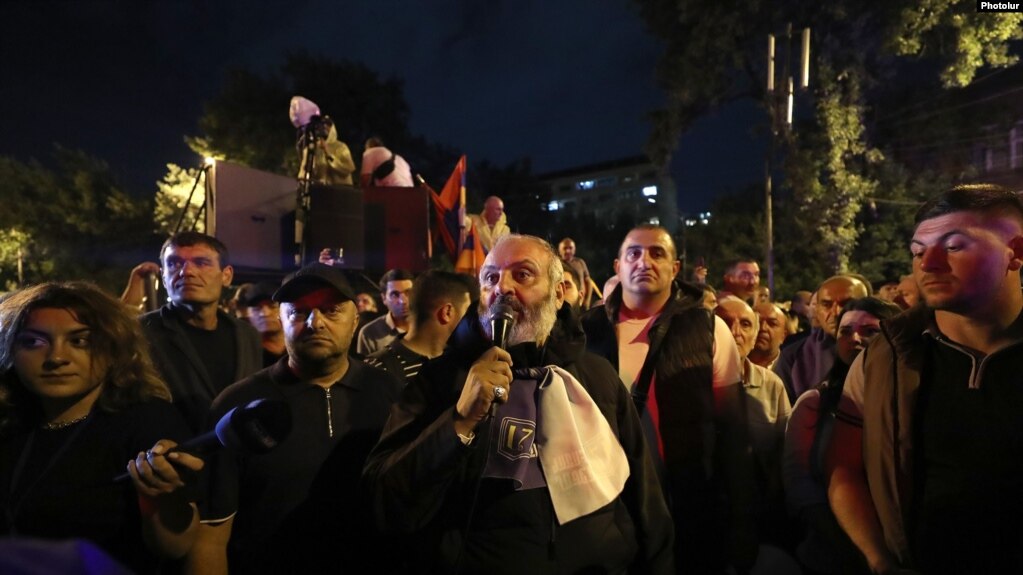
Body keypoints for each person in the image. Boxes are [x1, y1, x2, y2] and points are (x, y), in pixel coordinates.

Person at [364, 234, 674, 574]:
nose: (503, 288)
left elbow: (644, 494)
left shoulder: (597, 375)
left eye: (522, 274)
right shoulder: (441, 380)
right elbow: (385, 499)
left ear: (558, 294)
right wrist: (458, 422)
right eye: (490, 278)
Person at [828, 184, 1023, 575]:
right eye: (917, 251)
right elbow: (844, 470)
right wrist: (880, 559)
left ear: (1015, 253)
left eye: (953, 246)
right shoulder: (885, 358)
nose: (927, 264)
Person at [188, 263, 403, 574]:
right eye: (300, 312)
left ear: (355, 319)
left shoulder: (390, 394)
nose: (315, 323)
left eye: (330, 310)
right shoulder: (238, 405)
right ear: (281, 319)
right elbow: (211, 535)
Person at [580, 225, 762, 573]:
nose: (643, 261)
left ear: (675, 268)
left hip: (688, 501)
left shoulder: (709, 329)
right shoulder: (584, 331)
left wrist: (741, 519)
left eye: (656, 253)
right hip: (605, 503)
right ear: (617, 266)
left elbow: (733, 430)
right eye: (633, 253)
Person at [0, 282, 204, 574]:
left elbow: (174, 547)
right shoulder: (10, 421)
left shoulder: (147, 421)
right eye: (34, 341)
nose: (57, 357)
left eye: (80, 341)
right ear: (10, 350)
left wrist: (164, 498)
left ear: (115, 349)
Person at [783, 297, 899, 575]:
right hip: (830, 552)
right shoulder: (814, 402)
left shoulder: (905, 402)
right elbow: (799, 481)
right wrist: (846, 536)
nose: (854, 338)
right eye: (845, 331)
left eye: (869, 331)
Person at [138, 233, 262, 433]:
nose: (186, 272)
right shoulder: (139, 333)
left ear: (226, 275)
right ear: (163, 276)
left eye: (201, 262)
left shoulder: (247, 336)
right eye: (174, 264)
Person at [366, 270, 475, 383]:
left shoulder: (458, 363)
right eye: (466, 311)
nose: (470, 320)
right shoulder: (377, 370)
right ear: (447, 312)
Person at [774, 275, 868, 403]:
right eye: (827, 305)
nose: (836, 313)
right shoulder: (793, 356)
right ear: (816, 310)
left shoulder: (887, 351)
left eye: (847, 304)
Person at [356, 269, 414, 357]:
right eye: (395, 295)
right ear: (384, 298)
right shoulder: (369, 333)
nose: (403, 301)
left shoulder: (428, 326)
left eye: (408, 292)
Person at [233, 282, 286, 368]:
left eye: (272, 306)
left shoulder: (299, 348)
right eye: (257, 308)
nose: (264, 313)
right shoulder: (243, 354)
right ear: (248, 314)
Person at [749, 302, 789, 370]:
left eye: (772, 324)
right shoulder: (730, 363)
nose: (763, 328)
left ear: (783, 336)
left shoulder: (793, 371)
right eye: (757, 321)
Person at [558, 237, 592, 309]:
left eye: (570, 248)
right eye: (565, 248)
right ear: (560, 250)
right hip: (565, 302)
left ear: (574, 249)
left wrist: (587, 300)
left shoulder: (580, 262)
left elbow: (588, 282)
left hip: (581, 301)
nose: (567, 251)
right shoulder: (557, 264)